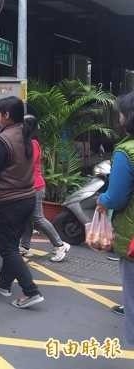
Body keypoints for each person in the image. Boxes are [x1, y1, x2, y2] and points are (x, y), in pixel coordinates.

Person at [0, 96, 44, 309]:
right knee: (12, 246)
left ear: (6, 115)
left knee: (7, 248)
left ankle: (31, 291)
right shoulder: (24, 134)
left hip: (9, 201)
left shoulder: (3, 140)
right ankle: (3, 284)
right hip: (27, 198)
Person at [96, 92, 134, 347]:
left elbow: (117, 196)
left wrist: (103, 201)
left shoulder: (126, 151)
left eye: (121, 112)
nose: (118, 117)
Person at [19, 115, 71, 262]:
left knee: (37, 218)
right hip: (29, 186)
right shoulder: (27, 142)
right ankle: (25, 246)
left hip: (34, 186)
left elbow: (27, 165)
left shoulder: (33, 144)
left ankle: (60, 245)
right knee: (27, 218)